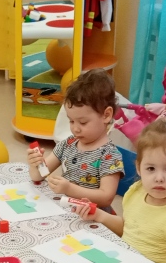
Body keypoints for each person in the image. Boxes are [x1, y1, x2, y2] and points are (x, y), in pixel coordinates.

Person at [82, 120, 166, 263]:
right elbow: (128, 228)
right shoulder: (136, 192)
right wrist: (98, 214)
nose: (159, 178)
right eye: (151, 168)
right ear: (139, 168)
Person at [27, 69, 124, 209]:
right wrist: (35, 164)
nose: (75, 129)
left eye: (83, 122)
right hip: (65, 212)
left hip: (92, 217)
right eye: (71, 121)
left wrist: (69, 189)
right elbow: (38, 176)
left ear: (106, 115)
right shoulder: (68, 144)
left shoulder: (110, 156)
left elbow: (106, 198)